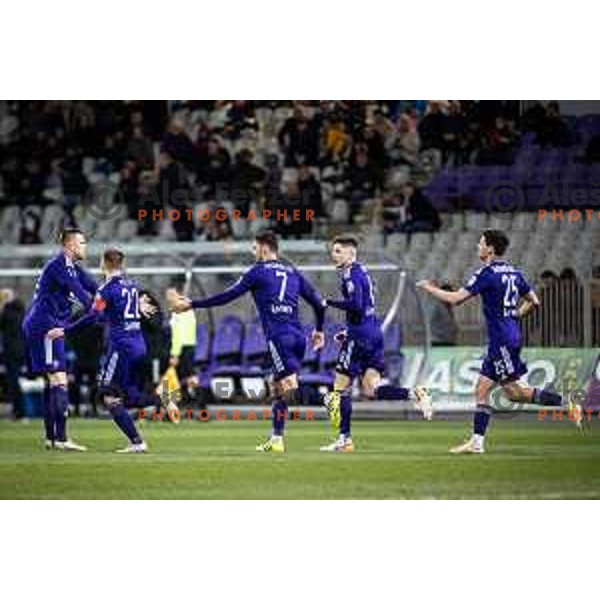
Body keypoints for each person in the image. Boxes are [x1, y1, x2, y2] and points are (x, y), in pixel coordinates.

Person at [417, 229, 578, 455]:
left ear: (490, 249)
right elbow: (534, 301)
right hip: (509, 335)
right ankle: (477, 442)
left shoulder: (487, 273)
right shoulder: (514, 273)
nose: (477, 247)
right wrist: (514, 316)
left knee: (513, 392)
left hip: (501, 340)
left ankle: (568, 403)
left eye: (481, 243)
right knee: (488, 389)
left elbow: (456, 299)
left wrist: (428, 288)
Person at [172, 230, 325, 452]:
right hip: (298, 337)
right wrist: (319, 330)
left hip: (279, 338)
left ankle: (332, 397)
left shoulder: (257, 271)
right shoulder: (293, 273)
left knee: (290, 386)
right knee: (277, 387)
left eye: (254, 248)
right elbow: (319, 304)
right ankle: (276, 438)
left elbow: (228, 296)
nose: (253, 252)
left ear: (263, 248)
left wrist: (193, 304)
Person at [49, 248, 179, 453]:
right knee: (129, 395)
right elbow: (114, 313)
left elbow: (93, 316)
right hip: (139, 346)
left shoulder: (106, 289)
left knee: (108, 396)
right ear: (122, 264)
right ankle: (160, 400)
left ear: (104, 264)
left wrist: (66, 329)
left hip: (121, 347)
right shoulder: (133, 286)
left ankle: (137, 441)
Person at [320, 235, 432, 453]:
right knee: (371, 388)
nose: (334, 255)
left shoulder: (351, 274)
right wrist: (348, 330)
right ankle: (414, 394)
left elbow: (357, 305)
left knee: (340, 388)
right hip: (372, 333)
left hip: (360, 336)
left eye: (338, 251)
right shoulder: (362, 271)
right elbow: (364, 308)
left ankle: (344, 439)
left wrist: (329, 302)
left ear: (351, 253)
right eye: (334, 251)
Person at [22, 228, 97, 451]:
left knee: (54, 381)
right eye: (82, 243)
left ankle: (52, 438)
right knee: (59, 380)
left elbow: (94, 287)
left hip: (53, 327)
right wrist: (101, 310)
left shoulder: (73, 268)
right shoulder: (59, 266)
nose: (85, 247)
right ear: (70, 245)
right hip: (45, 327)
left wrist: (120, 296)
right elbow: (84, 296)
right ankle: (61, 439)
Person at [0, 289, 26, 419]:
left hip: (12, 352)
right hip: (18, 351)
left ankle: (19, 412)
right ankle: (18, 411)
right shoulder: (20, 311)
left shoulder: (9, 313)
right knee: (13, 382)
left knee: (13, 382)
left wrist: (3, 307)